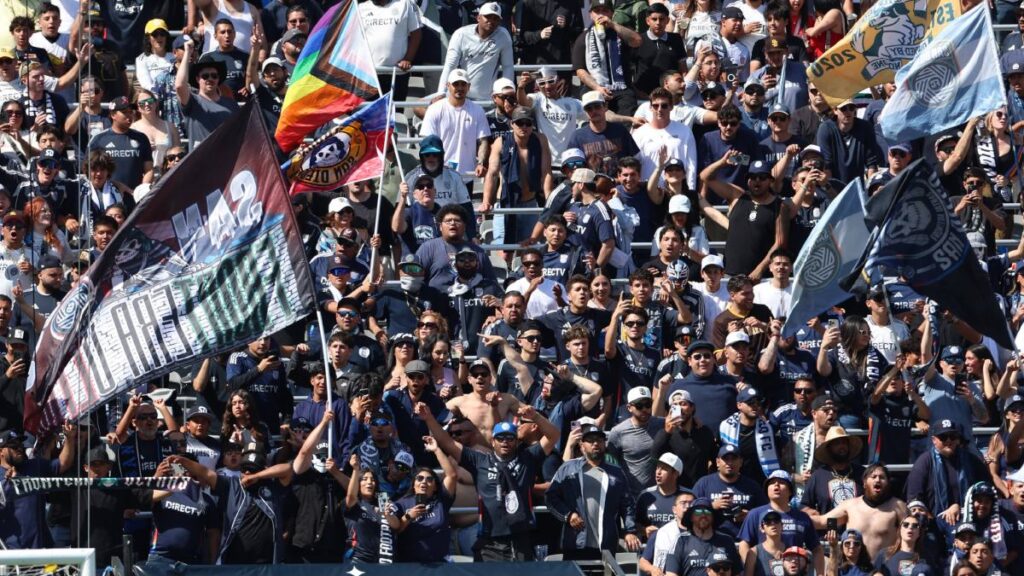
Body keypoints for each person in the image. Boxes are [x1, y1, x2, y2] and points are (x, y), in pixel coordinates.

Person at [420, 405, 559, 561]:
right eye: (500, 438)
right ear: (492, 442)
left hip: (520, 537)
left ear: (516, 441)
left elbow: (554, 435)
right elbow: (447, 442)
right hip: (488, 539)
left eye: (510, 438)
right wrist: (429, 418)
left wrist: (536, 417)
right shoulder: (479, 460)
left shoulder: (527, 458)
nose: (505, 442)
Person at [546, 422, 643, 559]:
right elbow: (551, 497)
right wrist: (568, 515)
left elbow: (627, 504)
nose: (595, 444)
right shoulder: (568, 468)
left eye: (599, 440)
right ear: (581, 445)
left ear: (605, 444)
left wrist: (629, 531)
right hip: (575, 543)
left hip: (606, 545)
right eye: (590, 441)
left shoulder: (616, 473)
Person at [738, 470, 824, 574]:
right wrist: (752, 565)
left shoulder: (802, 517)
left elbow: (817, 549)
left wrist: (820, 574)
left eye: (782, 482)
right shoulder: (755, 514)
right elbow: (744, 544)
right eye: (771, 483)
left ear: (790, 491)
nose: (776, 485)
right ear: (766, 489)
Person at [906, 419, 990, 525]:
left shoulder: (971, 460)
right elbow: (914, 497)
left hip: (968, 520)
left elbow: (986, 488)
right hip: (934, 523)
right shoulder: (924, 461)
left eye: (953, 436)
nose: (949, 441)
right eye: (943, 437)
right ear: (934, 440)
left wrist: (961, 508)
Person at [388, 437, 458, 562]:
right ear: (414, 484)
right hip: (410, 566)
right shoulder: (401, 504)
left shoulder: (442, 501)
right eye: (419, 479)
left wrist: (436, 450)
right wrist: (409, 516)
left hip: (440, 565)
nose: (424, 482)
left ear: (436, 486)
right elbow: (395, 530)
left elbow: (451, 475)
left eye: (429, 479)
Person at [421, 69, 491, 190]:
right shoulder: (434, 109)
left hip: (466, 175)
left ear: (468, 87)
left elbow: (483, 141)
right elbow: (428, 142)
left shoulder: (477, 110)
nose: (460, 88)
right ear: (448, 85)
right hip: (440, 174)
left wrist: (481, 163)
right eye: (456, 84)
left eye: (463, 84)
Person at [437, 2, 513, 102]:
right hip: (458, 95)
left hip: (486, 99)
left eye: (495, 18)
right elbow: (450, 65)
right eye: (488, 17)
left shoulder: (503, 35)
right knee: (419, 107)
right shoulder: (461, 34)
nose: (491, 21)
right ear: (478, 18)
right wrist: (441, 92)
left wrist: (506, 93)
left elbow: (508, 66)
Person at [174, 38, 239, 151]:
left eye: (214, 76)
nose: (210, 79)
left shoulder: (231, 104)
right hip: (199, 163)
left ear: (218, 79)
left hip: (226, 161)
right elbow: (179, 85)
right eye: (205, 76)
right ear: (198, 79)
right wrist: (187, 52)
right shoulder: (192, 101)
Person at [692, 444, 768, 538]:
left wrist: (750, 516)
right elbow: (690, 511)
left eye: (733, 459)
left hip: (744, 541)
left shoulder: (752, 486)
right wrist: (712, 506)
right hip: (711, 541)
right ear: (717, 462)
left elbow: (766, 512)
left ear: (741, 462)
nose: (730, 463)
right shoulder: (704, 483)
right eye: (726, 459)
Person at [652, 388, 718, 488]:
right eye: (674, 405)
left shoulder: (704, 432)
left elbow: (716, 459)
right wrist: (667, 432)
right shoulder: (666, 433)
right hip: (675, 492)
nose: (679, 408)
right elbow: (654, 457)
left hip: (699, 491)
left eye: (683, 404)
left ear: (692, 408)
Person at [358, 0, 421, 102]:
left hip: (397, 73)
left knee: (395, 114)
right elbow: (356, 38)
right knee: (371, 115)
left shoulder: (406, 3)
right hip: (371, 74)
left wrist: (408, 59)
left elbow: (416, 34)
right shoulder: (360, 8)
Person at [87, 96, 153, 189]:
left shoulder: (141, 138)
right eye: (125, 112)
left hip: (134, 196)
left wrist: (141, 191)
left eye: (130, 112)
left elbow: (149, 170)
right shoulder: (99, 139)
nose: (129, 115)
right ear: (113, 115)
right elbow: (88, 170)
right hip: (107, 196)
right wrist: (113, 186)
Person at [665, 499, 744, 576]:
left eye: (707, 511)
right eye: (698, 512)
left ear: (713, 517)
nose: (703, 515)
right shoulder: (681, 540)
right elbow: (671, 573)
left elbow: (736, 573)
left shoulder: (727, 540)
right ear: (691, 517)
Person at [744, 509, 787, 576]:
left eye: (776, 520)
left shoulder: (790, 550)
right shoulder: (754, 553)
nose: (773, 524)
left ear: (782, 526)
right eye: (768, 522)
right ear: (762, 528)